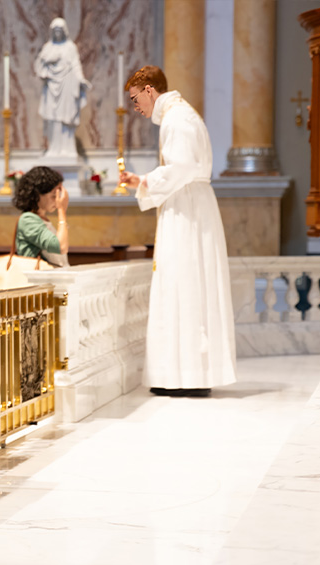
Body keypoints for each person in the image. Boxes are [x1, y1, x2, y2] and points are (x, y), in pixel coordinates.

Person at [120, 65, 236, 397]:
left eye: (135, 99)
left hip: (186, 210)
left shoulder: (177, 119)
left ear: (148, 90)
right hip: (187, 203)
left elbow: (181, 168)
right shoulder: (181, 115)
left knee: (182, 283)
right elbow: (180, 168)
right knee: (184, 284)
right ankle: (183, 375)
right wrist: (144, 181)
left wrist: (146, 181)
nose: (135, 107)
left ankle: (187, 375)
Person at [34, 18, 91, 158]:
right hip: (51, 88)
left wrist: (81, 80)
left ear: (64, 31)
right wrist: (47, 62)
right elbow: (39, 66)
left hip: (67, 85)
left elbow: (76, 65)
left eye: (60, 31)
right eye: (55, 31)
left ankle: (67, 149)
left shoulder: (70, 47)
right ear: (52, 32)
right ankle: (53, 148)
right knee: (53, 119)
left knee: (66, 118)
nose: (58, 34)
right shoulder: (48, 47)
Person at [13, 166, 69, 267]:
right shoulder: (28, 219)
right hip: (39, 281)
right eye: (53, 195)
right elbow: (61, 247)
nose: (57, 200)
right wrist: (61, 210)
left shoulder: (41, 218)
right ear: (37, 194)